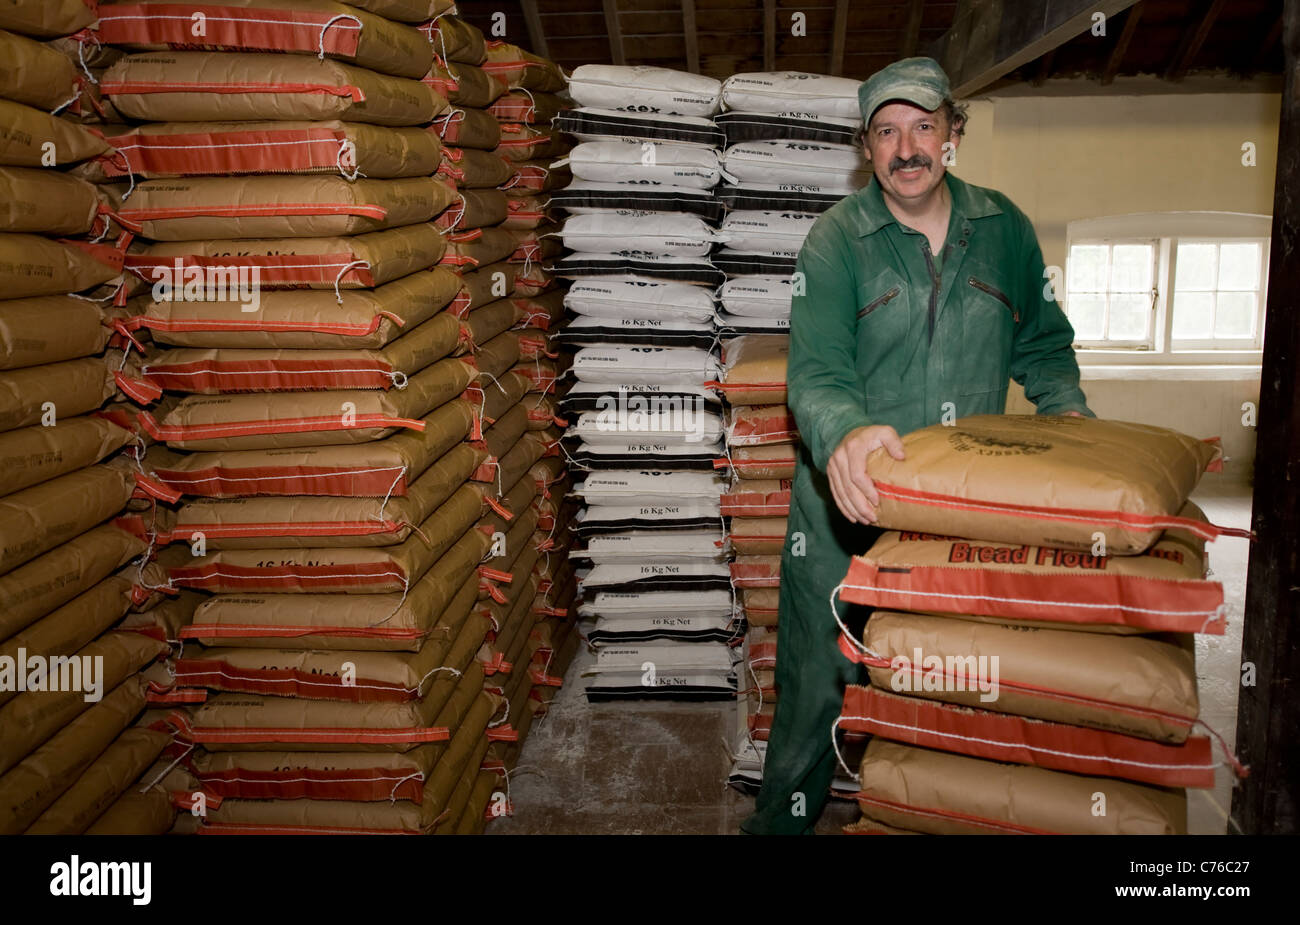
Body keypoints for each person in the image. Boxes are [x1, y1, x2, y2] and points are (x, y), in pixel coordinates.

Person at [740, 57, 1094, 835]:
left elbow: (1045, 348)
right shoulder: (836, 241)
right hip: (845, 507)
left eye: (923, 127)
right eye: (887, 132)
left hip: (959, 513)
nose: (906, 148)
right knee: (815, 690)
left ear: (953, 136)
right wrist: (848, 433)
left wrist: (1070, 422)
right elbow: (819, 371)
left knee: (947, 680)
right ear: (867, 149)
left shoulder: (1005, 231)